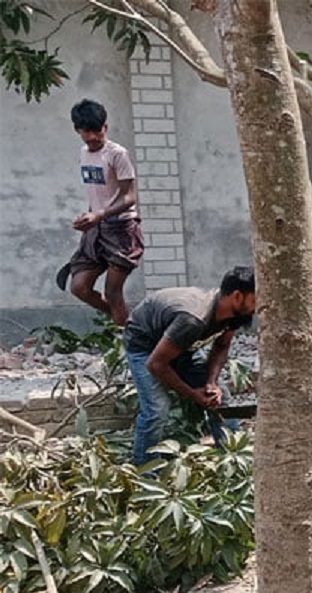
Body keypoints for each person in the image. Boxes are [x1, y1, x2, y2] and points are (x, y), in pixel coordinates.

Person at [123, 267, 256, 465]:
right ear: (237, 296)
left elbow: (221, 346)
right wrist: (194, 394)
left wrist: (211, 383)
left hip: (180, 347)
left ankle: (235, 461)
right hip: (146, 348)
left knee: (221, 398)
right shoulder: (193, 319)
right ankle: (144, 469)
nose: (258, 306)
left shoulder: (234, 314)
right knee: (157, 409)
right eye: (255, 299)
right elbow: (156, 365)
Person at [58, 99, 144, 326]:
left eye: (98, 130)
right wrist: (88, 218)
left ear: (105, 126)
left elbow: (129, 197)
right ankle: (131, 325)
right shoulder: (84, 153)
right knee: (79, 287)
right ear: (78, 130)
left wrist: (99, 215)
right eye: (87, 132)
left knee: (113, 291)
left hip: (121, 229)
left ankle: (129, 339)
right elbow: (98, 194)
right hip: (97, 228)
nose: (94, 136)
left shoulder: (117, 154)